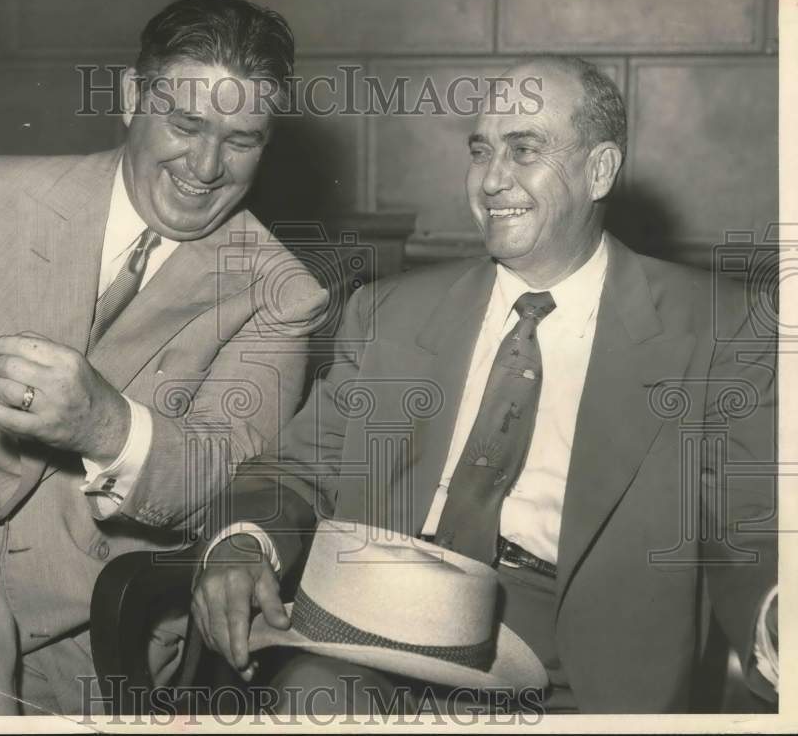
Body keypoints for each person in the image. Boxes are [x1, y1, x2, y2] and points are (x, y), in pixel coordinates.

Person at [191, 56, 778, 714]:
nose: (493, 180)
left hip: (575, 671)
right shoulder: (387, 313)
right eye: (481, 151)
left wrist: (778, 615)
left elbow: (752, 531)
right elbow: (298, 468)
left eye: (524, 151)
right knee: (309, 698)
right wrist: (244, 538)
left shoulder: (717, 331)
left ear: (599, 170)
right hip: (377, 626)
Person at [0, 0, 329, 715]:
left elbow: (229, 470)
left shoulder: (281, 294)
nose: (207, 166)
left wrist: (106, 427)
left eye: (241, 139)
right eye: (186, 125)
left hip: (80, 628)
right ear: (131, 99)